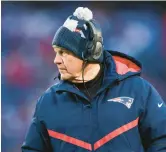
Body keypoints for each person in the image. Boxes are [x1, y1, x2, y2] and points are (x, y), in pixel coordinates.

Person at [22, 7, 166, 152]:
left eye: (64, 53)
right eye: (57, 52)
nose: (56, 60)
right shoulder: (48, 101)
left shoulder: (138, 91)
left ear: (91, 52)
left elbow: (162, 139)